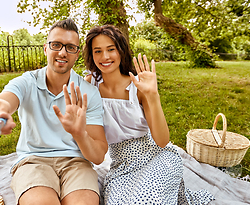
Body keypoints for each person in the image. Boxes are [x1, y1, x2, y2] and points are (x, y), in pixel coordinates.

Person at [0, 18, 108, 205]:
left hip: (76, 162)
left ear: (77, 54)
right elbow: (2, 101)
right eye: (56, 45)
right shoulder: (27, 82)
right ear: (46, 48)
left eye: (70, 47)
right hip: (33, 161)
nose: (62, 52)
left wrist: (79, 134)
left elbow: (99, 156)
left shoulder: (88, 93)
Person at [83, 24, 214, 205]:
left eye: (110, 49)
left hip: (157, 156)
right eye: (97, 51)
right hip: (121, 165)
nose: (104, 57)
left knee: (146, 201)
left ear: (121, 50)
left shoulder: (139, 86)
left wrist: (153, 96)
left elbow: (162, 140)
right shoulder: (90, 84)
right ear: (91, 55)